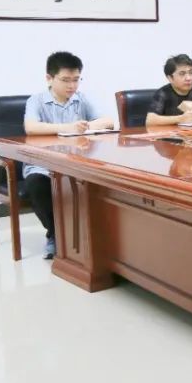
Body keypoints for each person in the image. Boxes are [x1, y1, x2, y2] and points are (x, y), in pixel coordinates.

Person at [23, 51, 115, 259]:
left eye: (76, 79)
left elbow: (108, 121)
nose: (72, 86)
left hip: (76, 164)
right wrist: (67, 127)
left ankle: (96, 237)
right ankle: (55, 235)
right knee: (36, 185)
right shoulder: (36, 101)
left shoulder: (81, 99)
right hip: (44, 164)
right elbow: (31, 127)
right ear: (49, 78)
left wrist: (86, 126)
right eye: (65, 80)